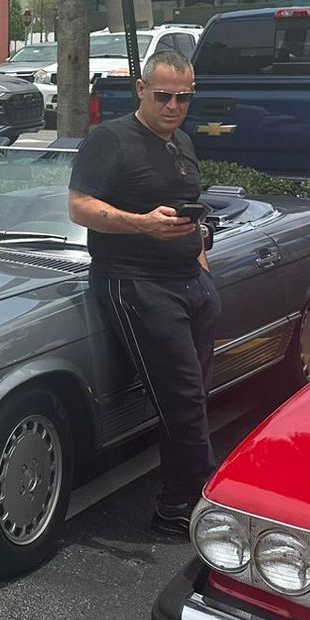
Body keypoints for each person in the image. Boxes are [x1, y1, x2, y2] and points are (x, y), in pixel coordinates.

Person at [68, 48, 218, 539]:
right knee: (183, 401)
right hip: (136, 282)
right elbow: (80, 207)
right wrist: (141, 224)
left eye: (183, 97)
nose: (173, 106)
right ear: (141, 90)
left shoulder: (183, 142)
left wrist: (200, 263)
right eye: (163, 96)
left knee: (195, 397)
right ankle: (191, 502)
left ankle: (181, 499)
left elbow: (187, 208)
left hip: (189, 282)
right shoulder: (109, 139)